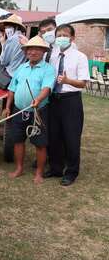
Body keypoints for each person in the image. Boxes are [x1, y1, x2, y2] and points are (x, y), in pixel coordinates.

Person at [3, 36, 56, 184]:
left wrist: (38, 99)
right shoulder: (21, 68)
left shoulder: (48, 69)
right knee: (18, 140)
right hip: (19, 110)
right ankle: (19, 168)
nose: (33, 52)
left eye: (37, 49)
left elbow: (47, 88)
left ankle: (39, 173)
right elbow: (12, 88)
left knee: (40, 143)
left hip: (39, 112)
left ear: (43, 52)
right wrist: (8, 107)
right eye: (30, 49)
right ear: (26, 51)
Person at [44, 24, 90, 186]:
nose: (61, 38)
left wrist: (68, 80)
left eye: (64, 35)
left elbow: (83, 83)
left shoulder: (80, 57)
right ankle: (56, 168)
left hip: (71, 100)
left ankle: (71, 172)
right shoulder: (52, 55)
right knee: (53, 135)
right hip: (53, 100)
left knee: (71, 137)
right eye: (58, 35)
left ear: (72, 38)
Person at [0, 14, 27, 88]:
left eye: (9, 27)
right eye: (6, 27)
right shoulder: (24, 38)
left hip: (10, 76)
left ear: (16, 27)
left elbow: (3, 61)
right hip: (18, 73)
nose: (7, 30)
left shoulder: (12, 39)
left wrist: (3, 44)